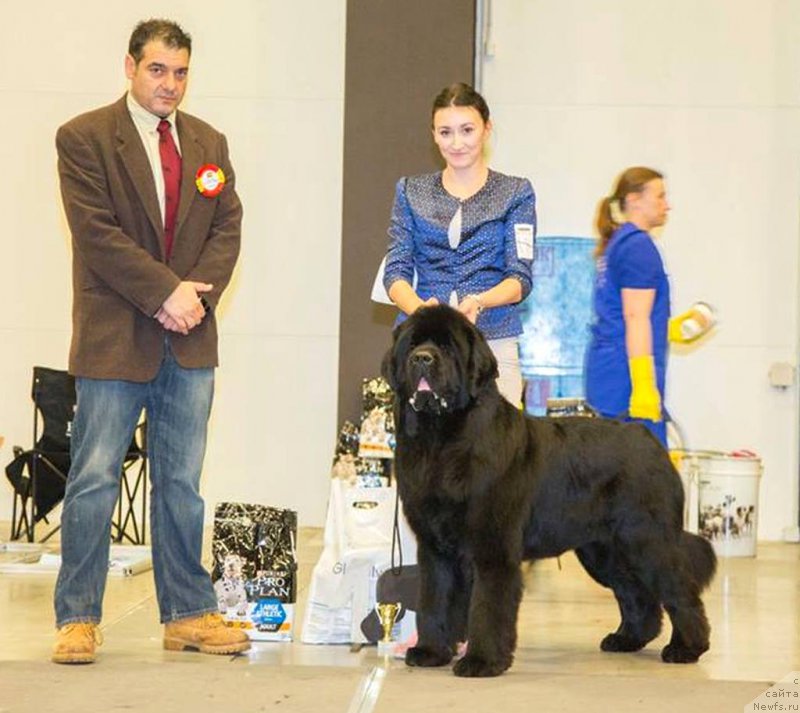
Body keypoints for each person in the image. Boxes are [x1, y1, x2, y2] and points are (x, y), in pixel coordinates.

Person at [52, 19, 248, 664]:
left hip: (189, 338)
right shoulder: (83, 138)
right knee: (93, 479)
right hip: (116, 337)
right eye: (158, 70)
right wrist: (166, 292)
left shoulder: (208, 142)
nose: (170, 84)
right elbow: (97, 234)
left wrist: (197, 297)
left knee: (182, 483)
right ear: (131, 68)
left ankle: (188, 613)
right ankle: (77, 618)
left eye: (181, 71)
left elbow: (227, 229)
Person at [382, 83, 536, 405]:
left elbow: (519, 279)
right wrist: (421, 312)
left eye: (467, 130)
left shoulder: (515, 193)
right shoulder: (410, 191)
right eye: (445, 132)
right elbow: (395, 272)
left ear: (486, 129)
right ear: (434, 134)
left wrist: (479, 302)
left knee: (497, 452)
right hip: (421, 349)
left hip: (490, 343)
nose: (457, 143)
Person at [585, 166, 672, 445]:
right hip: (628, 381)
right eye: (659, 196)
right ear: (634, 200)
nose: (666, 205)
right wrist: (644, 386)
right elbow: (635, 317)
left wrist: (671, 327)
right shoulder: (638, 246)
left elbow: (623, 312)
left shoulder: (618, 243)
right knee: (642, 478)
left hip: (611, 375)